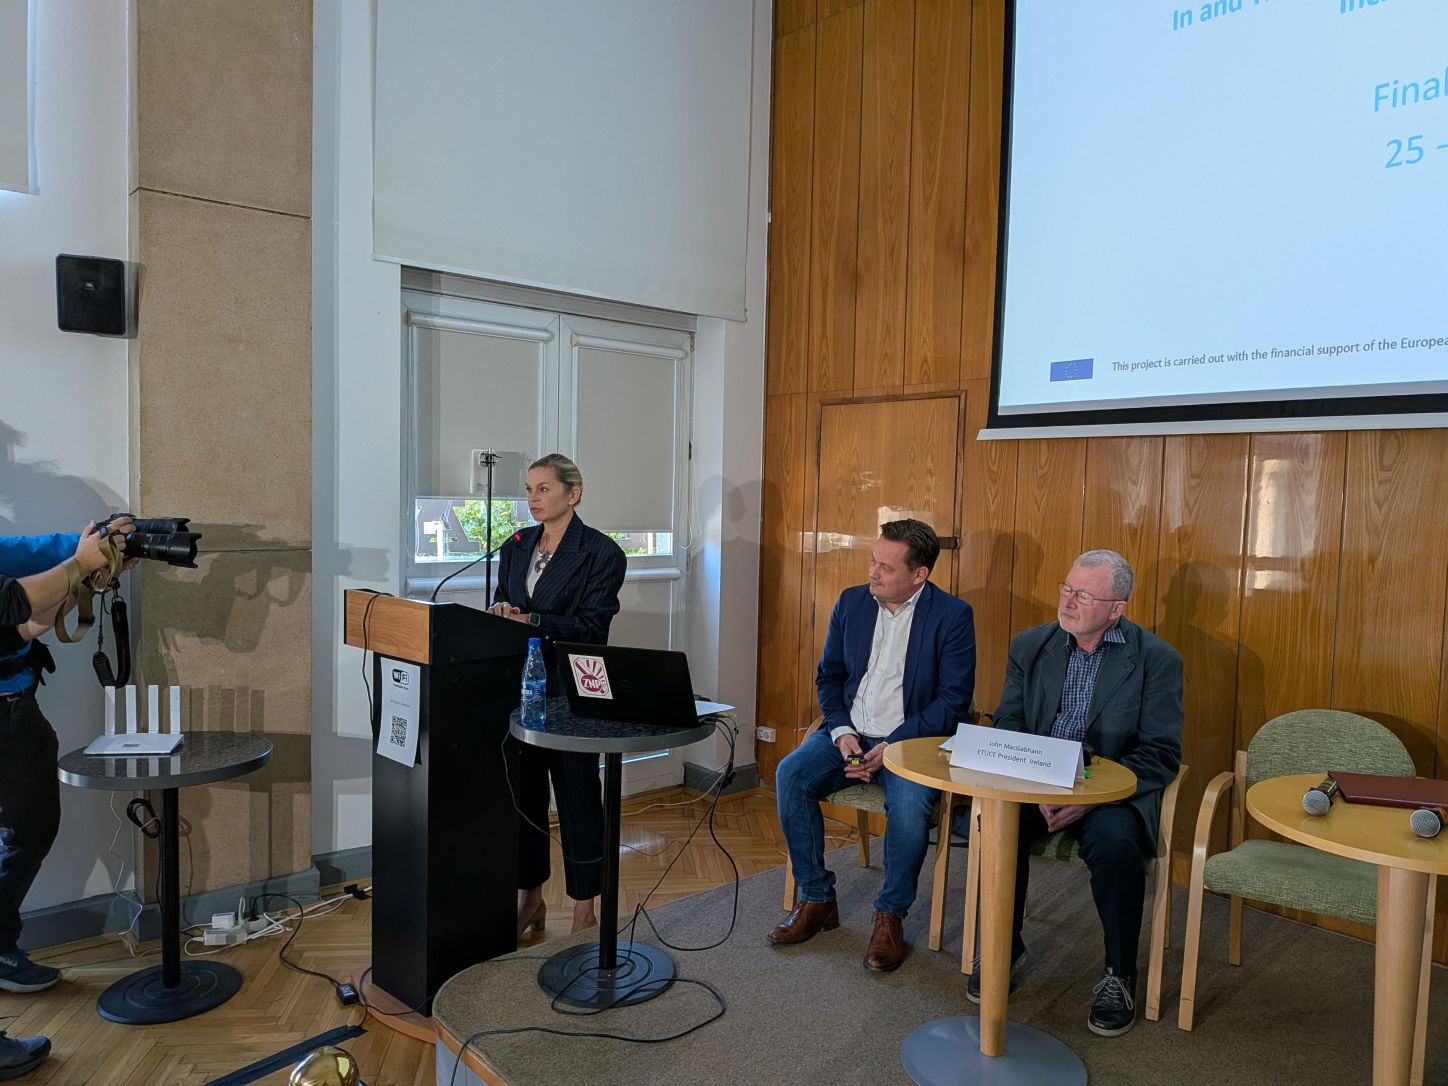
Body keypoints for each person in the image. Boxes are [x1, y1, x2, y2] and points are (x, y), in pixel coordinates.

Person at [973, 548, 1182, 1037]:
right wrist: (1034, 783)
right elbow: (1010, 722)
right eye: (1067, 589)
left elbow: (1160, 752)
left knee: (1115, 844)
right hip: (1034, 782)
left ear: (1116, 609)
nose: (1068, 602)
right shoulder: (1031, 645)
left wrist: (1089, 793)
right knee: (997, 823)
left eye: (1084, 596)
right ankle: (1003, 945)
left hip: (1110, 791)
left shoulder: (1156, 660)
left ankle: (1118, 974)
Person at [769, 519, 976, 972]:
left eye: (886, 567)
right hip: (848, 734)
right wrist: (842, 732)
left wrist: (893, 746)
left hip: (911, 745)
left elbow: (953, 702)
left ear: (919, 574)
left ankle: (889, 915)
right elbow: (830, 677)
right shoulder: (852, 602)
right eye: (872, 561)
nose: (873, 573)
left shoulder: (952, 616)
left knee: (911, 808)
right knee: (791, 775)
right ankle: (818, 898)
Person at [0, 519, 132, 1079]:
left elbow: (25, 619)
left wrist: (95, 560)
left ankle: (1, 944)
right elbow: (12, 601)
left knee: (32, 829)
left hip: (16, 712)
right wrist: (80, 564)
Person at [488, 454, 626, 937]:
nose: (532, 499)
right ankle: (530, 898)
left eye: (543, 489)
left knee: (577, 795)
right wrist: (501, 609)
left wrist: (533, 619)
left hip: (573, 688)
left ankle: (585, 909)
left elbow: (592, 628)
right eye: (529, 489)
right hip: (521, 685)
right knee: (523, 795)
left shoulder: (602, 552)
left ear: (574, 494)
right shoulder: (516, 545)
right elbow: (503, 601)